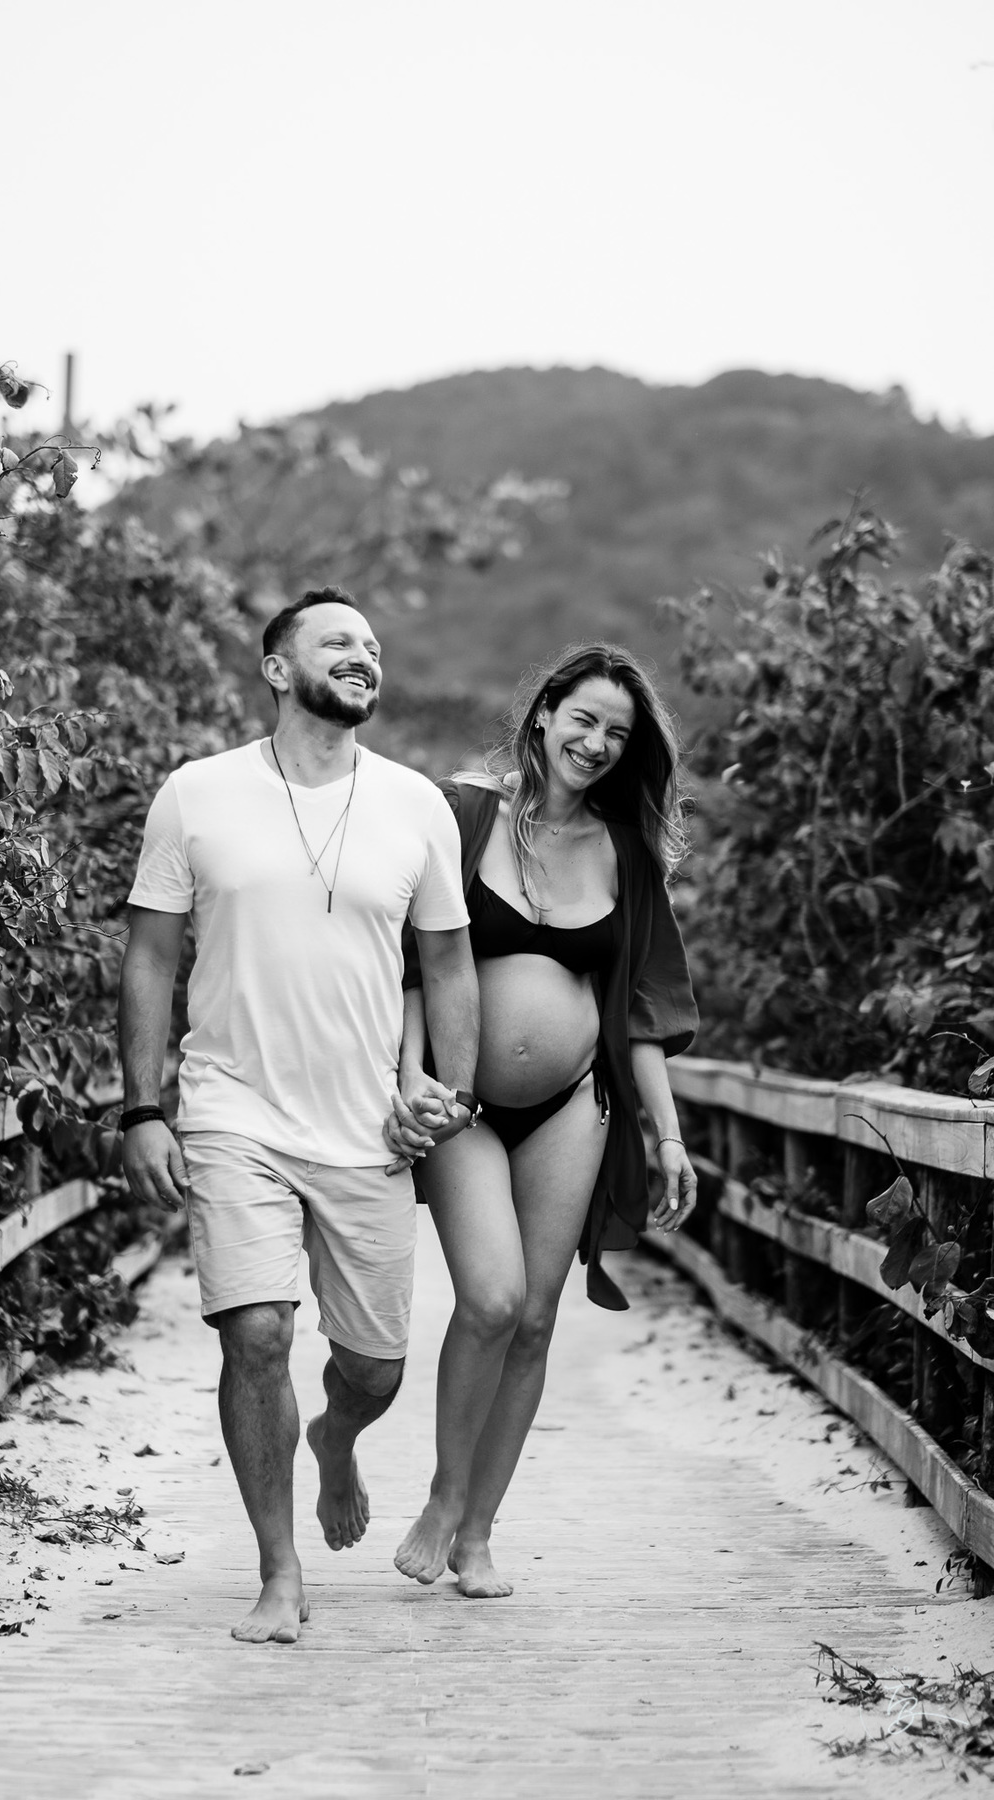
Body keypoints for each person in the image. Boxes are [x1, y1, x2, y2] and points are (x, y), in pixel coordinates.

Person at [118, 586, 479, 1645]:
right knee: (260, 1335)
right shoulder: (197, 794)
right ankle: (279, 1575)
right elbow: (149, 956)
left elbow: (448, 962)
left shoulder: (415, 803)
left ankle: (338, 1438)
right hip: (232, 1109)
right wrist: (146, 1108)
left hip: (368, 1128)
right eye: (337, 642)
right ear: (278, 669)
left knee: (374, 1367)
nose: (363, 655)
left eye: (372, 644)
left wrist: (446, 1095)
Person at [388, 643, 699, 1600]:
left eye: (618, 733)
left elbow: (642, 1004)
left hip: (576, 1103)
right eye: (585, 719)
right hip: (462, 1098)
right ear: (543, 712)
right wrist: (406, 1076)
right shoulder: (460, 810)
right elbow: (404, 959)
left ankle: (478, 1535)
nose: (598, 743)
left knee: (534, 1316)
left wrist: (668, 1132)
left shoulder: (624, 849)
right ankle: (444, 1497)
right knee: (488, 1297)